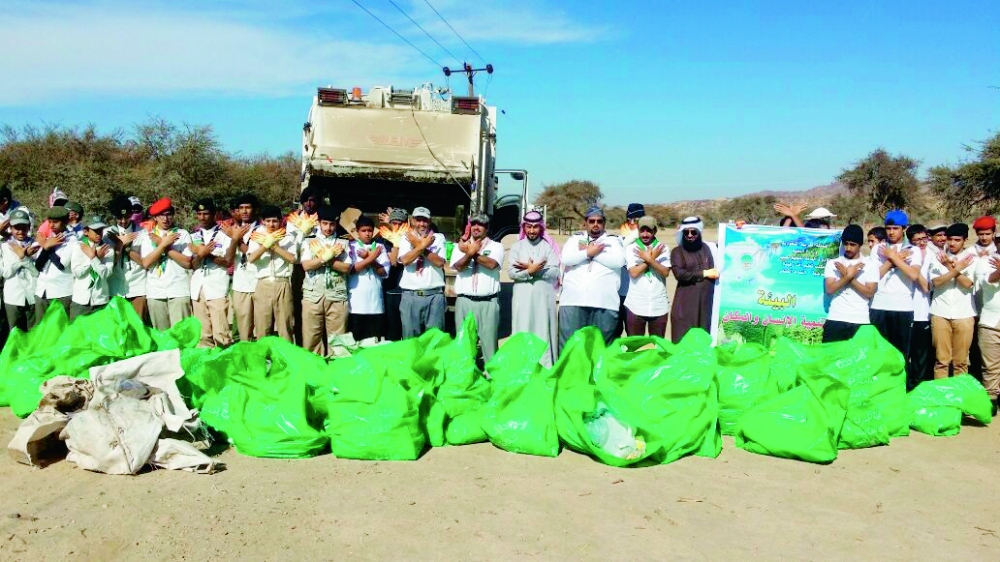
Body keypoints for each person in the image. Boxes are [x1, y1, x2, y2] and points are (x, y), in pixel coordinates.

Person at [559, 206, 626, 348]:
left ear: (604, 223)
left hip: (604, 303)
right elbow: (566, 258)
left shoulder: (613, 241)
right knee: (571, 347)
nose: (595, 224)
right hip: (573, 301)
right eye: (592, 221)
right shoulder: (575, 239)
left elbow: (618, 262)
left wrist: (593, 252)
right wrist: (587, 253)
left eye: (599, 221)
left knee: (601, 348)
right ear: (585, 223)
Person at [508, 210, 560, 367]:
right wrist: (530, 271)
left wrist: (535, 270)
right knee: (522, 330)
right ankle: (521, 370)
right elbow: (511, 273)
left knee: (542, 332)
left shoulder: (548, 247)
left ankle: (544, 370)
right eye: (528, 227)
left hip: (543, 300)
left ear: (541, 228)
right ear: (524, 227)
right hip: (522, 299)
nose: (531, 230)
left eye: (535, 227)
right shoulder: (517, 247)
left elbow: (555, 272)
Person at [300, 206, 353, 355]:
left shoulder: (344, 242)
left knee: (338, 339)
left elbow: (346, 268)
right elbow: (306, 265)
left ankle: (335, 372)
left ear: (336, 224)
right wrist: (325, 257)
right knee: (311, 337)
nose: (328, 228)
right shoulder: (309, 241)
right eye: (325, 224)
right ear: (319, 223)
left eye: (331, 224)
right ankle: (313, 371)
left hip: (336, 294)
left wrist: (328, 260)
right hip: (312, 295)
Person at [451, 214, 505, 361]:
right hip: (464, 301)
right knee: (464, 345)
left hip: (487, 302)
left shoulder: (496, 246)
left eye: (480, 224)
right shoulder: (459, 246)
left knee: (489, 346)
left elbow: (492, 264)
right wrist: (468, 252)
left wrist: (471, 253)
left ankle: (491, 379)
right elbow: (458, 267)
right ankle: (466, 379)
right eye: (473, 224)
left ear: (486, 228)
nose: (476, 227)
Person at [927, 223, 978, 379]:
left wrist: (949, 268)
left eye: (957, 240)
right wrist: (955, 268)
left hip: (964, 314)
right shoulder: (937, 257)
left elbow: (968, 284)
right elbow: (936, 283)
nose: (952, 243)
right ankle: (941, 399)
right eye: (950, 239)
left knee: (961, 362)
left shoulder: (972, 259)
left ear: (965, 240)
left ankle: (959, 399)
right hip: (940, 312)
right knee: (941, 360)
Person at [868, 210, 921, 357]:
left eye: (895, 228)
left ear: (904, 229)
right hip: (879, 305)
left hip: (902, 307)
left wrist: (892, 257)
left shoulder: (913, 249)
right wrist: (894, 260)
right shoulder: (878, 249)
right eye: (888, 228)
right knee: (877, 353)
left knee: (900, 354)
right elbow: (874, 276)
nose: (891, 232)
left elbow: (913, 274)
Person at [139, 198, 194, 330]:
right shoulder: (148, 236)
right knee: (162, 336)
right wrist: (162, 244)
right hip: (156, 291)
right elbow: (146, 263)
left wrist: (165, 247)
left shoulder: (182, 234)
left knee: (181, 334)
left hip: (178, 290)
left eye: (168, 214)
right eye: (161, 215)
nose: (165, 219)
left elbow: (187, 262)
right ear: (155, 218)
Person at [190, 198, 237, 348]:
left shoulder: (224, 234)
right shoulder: (194, 236)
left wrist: (208, 254)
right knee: (203, 334)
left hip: (217, 287)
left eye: (206, 213)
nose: (202, 217)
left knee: (221, 332)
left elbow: (228, 261)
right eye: (199, 214)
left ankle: (225, 362)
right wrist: (200, 254)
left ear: (214, 214)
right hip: (198, 287)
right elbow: (192, 264)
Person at [247, 205, 298, 342]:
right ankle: (262, 359)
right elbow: (251, 258)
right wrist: (265, 245)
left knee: (285, 326)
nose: (271, 224)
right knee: (263, 327)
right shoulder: (257, 237)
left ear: (280, 221)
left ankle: (285, 360)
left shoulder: (287, 237)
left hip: (282, 282)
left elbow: (292, 258)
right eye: (268, 221)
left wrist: (274, 246)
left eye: (274, 221)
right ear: (263, 221)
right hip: (263, 283)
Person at [397, 206, 447, 338]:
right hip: (410, 296)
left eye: (425, 220)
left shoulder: (438, 237)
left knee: (434, 340)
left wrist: (419, 246)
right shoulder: (406, 237)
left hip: (434, 296)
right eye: (418, 220)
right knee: (410, 340)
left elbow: (439, 262)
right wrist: (422, 245)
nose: (421, 224)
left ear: (430, 221)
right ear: (412, 221)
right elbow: (406, 260)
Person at [822, 225, 877, 342]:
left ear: (860, 245)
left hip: (860, 320)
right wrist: (847, 276)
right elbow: (829, 289)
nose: (848, 248)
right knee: (831, 359)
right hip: (836, 319)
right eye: (846, 244)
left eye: (853, 244)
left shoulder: (870, 265)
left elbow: (869, 293)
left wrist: (849, 278)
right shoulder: (833, 263)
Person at [670, 216, 719, 343]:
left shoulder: (711, 248)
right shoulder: (677, 252)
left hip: (706, 306)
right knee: (683, 341)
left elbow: (731, 247)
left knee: (704, 340)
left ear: (699, 232)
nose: (690, 235)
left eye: (694, 232)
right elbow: (680, 274)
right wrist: (705, 273)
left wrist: (738, 227)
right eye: (686, 232)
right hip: (685, 306)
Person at [623, 216, 671, 337]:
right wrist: (651, 259)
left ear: (655, 231)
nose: (645, 234)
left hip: (658, 306)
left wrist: (649, 259)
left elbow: (665, 272)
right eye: (642, 230)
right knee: (635, 348)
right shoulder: (632, 248)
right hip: (636, 305)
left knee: (658, 348)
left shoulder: (663, 248)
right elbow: (634, 273)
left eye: (649, 231)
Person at [348, 216, 390, 341]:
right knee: (356, 341)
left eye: (370, 230)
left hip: (375, 305)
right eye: (363, 230)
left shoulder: (379, 248)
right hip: (356, 304)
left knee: (374, 342)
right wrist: (371, 258)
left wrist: (370, 259)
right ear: (357, 231)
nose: (367, 234)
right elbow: (351, 270)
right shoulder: (351, 246)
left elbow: (384, 272)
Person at [33, 206, 76, 324]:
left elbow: (61, 265)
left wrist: (47, 247)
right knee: (41, 329)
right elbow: (38, 266)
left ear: (65, 222)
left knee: (59, 328)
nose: (51, 225)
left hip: (61, 292)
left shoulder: (72, 241)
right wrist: (46, 245)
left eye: (55, 222)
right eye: (50, 222)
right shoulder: (47, 238)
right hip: (42, 291)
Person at [106, 196, 147, 320]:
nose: (123, 221)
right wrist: (119, 245)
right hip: (115, 288)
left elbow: (144, 262)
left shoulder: (142, 233)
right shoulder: (107, 233)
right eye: (119, 217)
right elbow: (108, 263)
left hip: (137, 287)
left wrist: (127, 247)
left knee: (138, 328)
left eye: (127, 216)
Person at [69, 214, 113, 320]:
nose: (99, 233)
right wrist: (92, 259)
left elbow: (106, 274)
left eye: (101, 230)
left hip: (100, 300)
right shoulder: (79, 246)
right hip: (81, 301)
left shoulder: (107, 249)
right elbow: (77, 273)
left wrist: (94, 258)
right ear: (85, 232)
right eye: (95, 230)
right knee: (77, 334)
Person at [1, 209, 39, 330]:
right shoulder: (4, 246)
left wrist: (24, 258)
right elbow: (5, 273)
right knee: (15, 333)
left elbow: (36, 273)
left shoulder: (35, 245)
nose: (20, 231)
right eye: (16, 228)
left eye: (24, 227)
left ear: (29, 227)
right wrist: (22, 257)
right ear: (10, 229)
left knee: (34, 333)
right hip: (13, 297)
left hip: (32, 296)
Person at [906, 224, 933, 389]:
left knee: (921, 354)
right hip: (906, 309)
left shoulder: (934, 255)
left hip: (924, 311)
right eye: (917, 240)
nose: (921, 243)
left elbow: (926, 287)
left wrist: (914, 271)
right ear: (910, 241)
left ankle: (919, 386)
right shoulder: (906, 255)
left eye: (924, 238)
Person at [230, 194, 259, 342]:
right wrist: (233, 238)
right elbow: (228, 258)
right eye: (241, 208)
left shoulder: (262, 229)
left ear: (255, 209)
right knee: (243, 329)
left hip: (258, 283)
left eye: (248, 207)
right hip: (240, 283)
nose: (244, 211)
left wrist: (236, 238)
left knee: (261, 327)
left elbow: (250, 253)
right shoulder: (234, 229)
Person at [974, 251, 1000, 415]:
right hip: (991, 321)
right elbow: (988, 281)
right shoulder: (986, 261)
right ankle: (991, 400)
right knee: (991, 366)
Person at [378, 207, 409, 341]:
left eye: (400, 223)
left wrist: (399, 242)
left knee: (406, 327)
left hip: (406, 290)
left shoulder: (410, 240)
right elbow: (393, 262)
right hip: (389, 289)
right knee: (391, 327)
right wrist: (395, 243)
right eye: (394, 223)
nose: (396, 226)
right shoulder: (383, 240)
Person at [616, 203, 645, 338]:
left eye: (638, 220)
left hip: (637, 294)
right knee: (615, 332)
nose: (634, 223)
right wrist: (632, 236)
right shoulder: (618, 239)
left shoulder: (646, 241)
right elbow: (619, 253)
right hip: (619, 293)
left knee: (634, 335)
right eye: (631, 220)